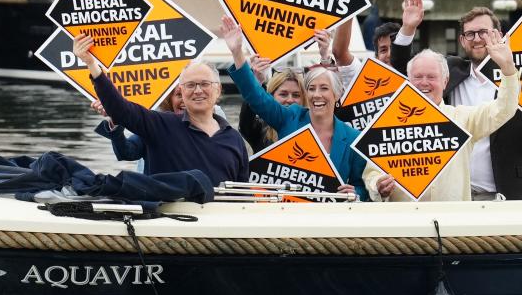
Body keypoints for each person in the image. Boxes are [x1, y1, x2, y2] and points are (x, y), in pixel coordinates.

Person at [390, 0, 522, 200]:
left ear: (499, 35)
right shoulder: (448, 72)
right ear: (462, 40)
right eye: (470, 34)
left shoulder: (518, 78)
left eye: (483, 32)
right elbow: (403, 71)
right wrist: (408, 28)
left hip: (505, 192)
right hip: (453, 193)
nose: (477, 39)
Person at [221, 15, 369, 200]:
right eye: (311, 89)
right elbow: (256, 97)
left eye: (324, 88)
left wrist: (355, 194)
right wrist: (237, 52)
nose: (317, 95)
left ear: (337, 95)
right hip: (287, 216)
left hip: (330, 221)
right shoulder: (290, 117)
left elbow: (361, 186)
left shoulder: (353, 137)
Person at [364, 30, 520, 202]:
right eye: (417, 77)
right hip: (405, 222)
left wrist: (507, 68)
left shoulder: (463, 119)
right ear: (408, 81)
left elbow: (504, 109)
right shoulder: (387, 122)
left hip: (453, 222)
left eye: (431, 77)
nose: (424, 83)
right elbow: (372, 173)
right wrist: (378, 185)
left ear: (445, 82)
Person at [73, 33, 248, 186]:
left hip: (220, 221)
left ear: (218, 90)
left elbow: (242, 195)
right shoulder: (161, 124)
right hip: (169, 221)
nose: (198, 90)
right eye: (190, 85)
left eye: (205, 84)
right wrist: (92, 65)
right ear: (182, 91)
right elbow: (121, 110)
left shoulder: (234, 139)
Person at [239, 64, 305, 153]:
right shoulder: (260, 128)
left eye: (296, 95)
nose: (290, 100)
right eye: (283, 94)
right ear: (271, 96)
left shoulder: (311, 124)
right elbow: (245, 123)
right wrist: (256, 84)